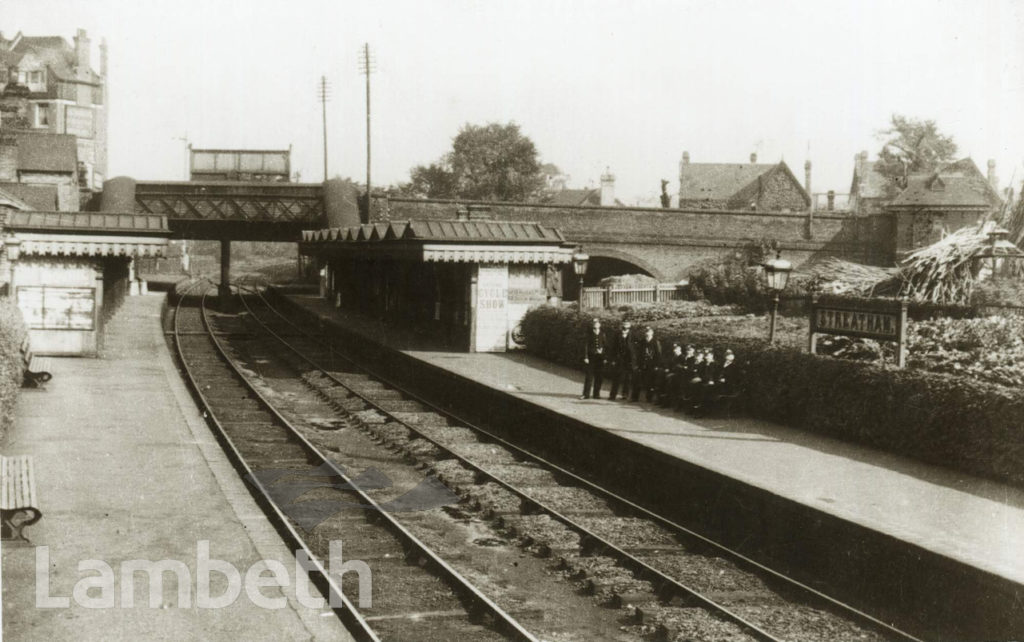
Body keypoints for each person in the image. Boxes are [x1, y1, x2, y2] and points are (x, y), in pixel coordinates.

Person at [632, 326, 663, 402]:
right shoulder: (642, 341)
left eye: (649, 332)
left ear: (652, 333)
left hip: (651, 365)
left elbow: (658, 354)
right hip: (642, 364)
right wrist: (636, 364)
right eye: (646, 332)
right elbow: (638, 353)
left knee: (650, 382)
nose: (647, 334)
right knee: (638, 380)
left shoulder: (656, 342)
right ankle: (635, 397)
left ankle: (649, 398)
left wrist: (657, 365)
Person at [607, 320, 635, 401]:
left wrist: (633, 360)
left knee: (627, 378)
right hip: (619, 359)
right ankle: (613, 395)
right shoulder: (617, 335)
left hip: (629, 360)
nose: (625, 328)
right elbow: (613, 348)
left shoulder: (633, 335)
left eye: (627, 327)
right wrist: (613, 359)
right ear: (622, 326)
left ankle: (625, 394)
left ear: (629, 327)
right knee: (616, 377)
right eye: (624, 326)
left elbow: (635, 349)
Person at [580, 318, 607, 399]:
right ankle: (586, 394)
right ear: (592, 326)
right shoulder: (589, 335)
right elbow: (585, 346)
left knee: (599, 377)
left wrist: (603, 354)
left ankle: (596, 394)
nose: (596, 328)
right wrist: (586, 357)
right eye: (594, 327)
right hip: (591, 358)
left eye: (597, 326)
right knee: (589, 377)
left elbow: (606, 346)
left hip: (600, 358)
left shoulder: (603, 334)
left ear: (600, 326)